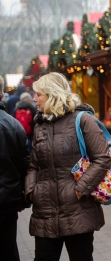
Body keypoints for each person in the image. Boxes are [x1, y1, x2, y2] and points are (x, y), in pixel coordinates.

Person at [25, 72, 111, 261]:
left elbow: (103, 158)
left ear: (52, 94)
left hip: (78, 210)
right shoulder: (40, 125)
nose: (35, 98)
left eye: (39, 94)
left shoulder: (83, 120)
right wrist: (32, 191)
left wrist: (80, 190)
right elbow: (33, 165)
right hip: (45, 212)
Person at [0, 76, 29, 261]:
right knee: (8, 248)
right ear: (2, 94)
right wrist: (22, 199)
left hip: (8, 198)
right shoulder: (14, 125)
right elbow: (24, 164)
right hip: (7, 200)